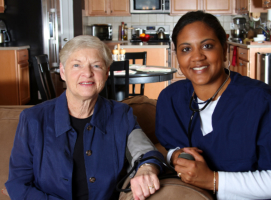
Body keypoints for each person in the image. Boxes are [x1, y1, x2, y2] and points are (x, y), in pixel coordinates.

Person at [155, 11, 271, 200]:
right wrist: (174, 156)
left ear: (225, 48)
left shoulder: (262, 102)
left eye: (207, 46)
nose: (197, 57)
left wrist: (212, 180)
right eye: (186, 49)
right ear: (177, 56)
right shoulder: (170, 99)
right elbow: (167, 147)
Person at [5, 35, 163, 200]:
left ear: (107, 72)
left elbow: (145, 152)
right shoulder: (33, 119)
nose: (87, 73)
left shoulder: (121, 115)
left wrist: (147, 168)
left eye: (96, 65)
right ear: (63, 71)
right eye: (76, 65)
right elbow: (18, 184)